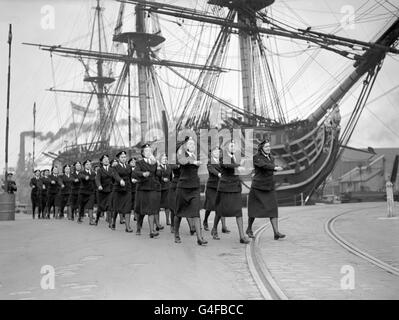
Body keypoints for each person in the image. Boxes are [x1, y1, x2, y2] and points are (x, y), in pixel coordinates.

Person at [212, 140, 250, 244]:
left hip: (235, 187)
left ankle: (242, 236)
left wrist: (240, 168)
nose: (234, 147)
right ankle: (214, 229)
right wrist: (238, 165)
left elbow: (235, 170)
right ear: (226, 147)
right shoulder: (223, 157)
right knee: (220, 210)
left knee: (238, 211)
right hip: (225, 187)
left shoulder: (235, 157)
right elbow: (226, 165)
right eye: (231, 145)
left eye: (235, 145)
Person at [247, 139, 285, 240]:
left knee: (273, 209)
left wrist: (275, 168)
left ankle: (276, 232)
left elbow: (270, 167)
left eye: (269, 146)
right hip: (258, 187)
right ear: (261, 148)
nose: (269, 148)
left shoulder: (271, 158)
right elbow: (263, 166)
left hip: (269, 187)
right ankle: (249, 229)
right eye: (266, 147)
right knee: (254, 210)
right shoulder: (256, 157)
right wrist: (275, 168)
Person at [175, 136, 207, 246]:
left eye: (193, 144)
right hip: (183, 187)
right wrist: (193, 162)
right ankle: (176, 234)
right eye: (190, 144)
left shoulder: (195, 156)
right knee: (179, 213)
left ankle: (199, 238)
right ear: (185, 146)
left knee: (196, 212)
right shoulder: (182, 155)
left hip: (194, 187)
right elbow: (182, 162)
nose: (192, 146)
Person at [134, 143, 161, 238]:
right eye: (146, 150)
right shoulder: (139, 163)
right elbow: (136, 172)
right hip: (143, 189)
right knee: (141, 211)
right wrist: (142, 174)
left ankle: (151, 231)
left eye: (150, 150)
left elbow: (158, 174)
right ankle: (138, 227)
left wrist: (158, 166)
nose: (148, 152)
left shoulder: (154, 162)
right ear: (142, 153)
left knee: (151, 210)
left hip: (153, 188)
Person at [203, 147, 229, 233]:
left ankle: (224, 227)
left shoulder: (222, 162)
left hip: (221, 186)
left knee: (220, 206)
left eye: (219, 152)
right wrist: (218, 174)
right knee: (210, 206)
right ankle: (205, 220)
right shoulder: (210, 162)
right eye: (215, 152)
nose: (218, 153)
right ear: (212, 153)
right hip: (211, 187)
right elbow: (212, 170)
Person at [111, 151, 133, 232]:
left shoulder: (129, 166)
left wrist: (134, 179)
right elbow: (115, 175)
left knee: (128, 207)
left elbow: (131, 175)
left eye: (124, 157)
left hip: (127, 189)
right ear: (118, 158)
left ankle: (127, 227)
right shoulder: (115, 167)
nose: (124, 158)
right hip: (118, 190)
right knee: (116, 208)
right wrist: (120, 180)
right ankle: (113, 222)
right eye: (122, 157)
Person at [95, 154, 114, 226]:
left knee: (109, 205)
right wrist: (99, 185)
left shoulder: (112, 170)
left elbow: (115, 178)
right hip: (101, 191)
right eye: (104, 159)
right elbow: (97, 179)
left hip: (110, 190)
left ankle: (110, 222)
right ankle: (96, 219)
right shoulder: (99, 170)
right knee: (100, 207)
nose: (106, 160)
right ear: (101, 162)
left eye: (107, 159)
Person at [77, 160, 96, 224]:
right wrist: (85, 177)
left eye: (90, 164)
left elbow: (95, 181)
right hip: (83, 192)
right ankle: (80, 217)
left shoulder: (93, 173)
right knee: (82, 206)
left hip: (91, 192)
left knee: (91, 205)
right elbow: (80, 176)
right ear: (84, 166)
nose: (89, 165)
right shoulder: (81, 172)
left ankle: (91, 220)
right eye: (87, 164)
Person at [157, 153, 171, 228]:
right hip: (160, 188)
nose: (165, 160)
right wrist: (162, 179)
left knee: (167, 205)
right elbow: (158, 175)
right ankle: (157, 222)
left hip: (167, 187)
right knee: (158, 206)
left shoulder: (169, 167)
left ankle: (167, 220)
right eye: (163, 159)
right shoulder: (158, 167)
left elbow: (171, 177)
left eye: (166, 159)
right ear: (160, 160)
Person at [128, 157, 138, 223]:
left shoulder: (138, 169)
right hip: (129, 188)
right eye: (132, 162)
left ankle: (135, 215)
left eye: (134, 162)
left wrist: (137, 180)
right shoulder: (127, 169)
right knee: (128, 202)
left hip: (136, 187)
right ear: (129, 163)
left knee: (136, 202)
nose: (133, 163)